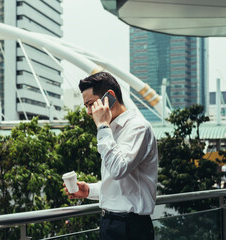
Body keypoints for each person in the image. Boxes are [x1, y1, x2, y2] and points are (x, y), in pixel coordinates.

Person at [64, 72, 158, 240]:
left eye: (90, 104)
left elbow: (118, 169)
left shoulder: (138, 128)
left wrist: (102, 126)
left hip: (131, 228)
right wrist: (89, 190)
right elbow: (121, 187)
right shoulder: (111, 131)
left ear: (110, 97)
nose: (88, 111)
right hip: (110, 223)